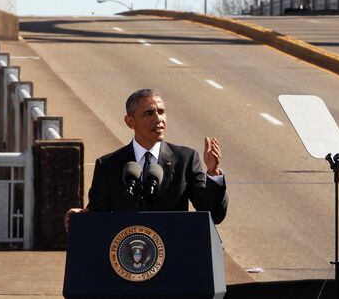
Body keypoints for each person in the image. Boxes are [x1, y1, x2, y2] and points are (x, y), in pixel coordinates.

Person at [64, 89, 228, 231]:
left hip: (175, 253)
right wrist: (82, 216)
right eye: (149, 113)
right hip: (128, 256)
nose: (158, 119)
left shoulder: (185, 159)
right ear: (130, 122)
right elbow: (99, 214)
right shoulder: (108, 165)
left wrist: (213, 173)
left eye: (162, 112)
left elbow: (213, 214)